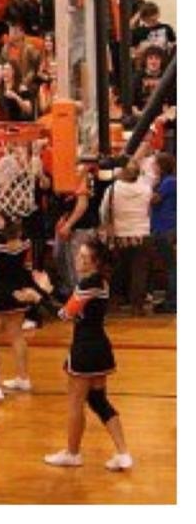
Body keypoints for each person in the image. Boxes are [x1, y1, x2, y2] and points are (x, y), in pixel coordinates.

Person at [42, 239, 133, 471]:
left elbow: (64, 314)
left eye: (84, 257)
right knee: (98, 400)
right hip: (100, 348)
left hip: (85, 350)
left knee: (75, 404)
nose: (78, 259)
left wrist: (43, 293)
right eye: (79, 255)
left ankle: (72, 453)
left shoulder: (90, 284)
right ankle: (123, 454)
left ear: (96, 262)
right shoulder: (99, 281)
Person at [0, 218, 37, 401]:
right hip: (18, 292)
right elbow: (28, 267)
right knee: (17, 335)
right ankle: (23, 377)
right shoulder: (26, 242)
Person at [99, 161, 153, 316]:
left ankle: (114, 302)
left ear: (122, 172)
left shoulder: (113, 189)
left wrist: (106, 226)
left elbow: (103, 212)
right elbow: (149, 209)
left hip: (120, 234)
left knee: (118, 270)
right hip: (142, 232)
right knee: (139, 271)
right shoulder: (146, 188)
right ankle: (137, 306)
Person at [150, 152, 176, 314]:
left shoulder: (169, 182)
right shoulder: (167, 181)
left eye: (155, 164)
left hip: (166, 228)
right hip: (164, 228)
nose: (152, 167)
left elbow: (154, 200)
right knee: (170, 266)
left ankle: (173, 302)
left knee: (172, 267)